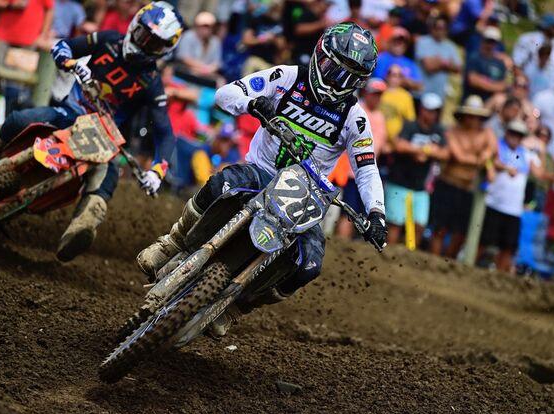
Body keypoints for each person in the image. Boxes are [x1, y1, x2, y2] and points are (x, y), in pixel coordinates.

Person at [138, 23, 388, 336]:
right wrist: (252, 103)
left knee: (309, 266)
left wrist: (376, 213)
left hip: (305, 195)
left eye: (348, 77)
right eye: (333, 69)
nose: (337, 81)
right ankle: (171, 243)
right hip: (261, 171)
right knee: (220, 183)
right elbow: (225, 94)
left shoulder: (355, 118)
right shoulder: (287, 77)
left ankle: (237, 308)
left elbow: (366, 169)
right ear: (319, 55)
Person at [0, 1, 184, 262]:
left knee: (107, 174)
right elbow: (62, 46)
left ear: (164, 51)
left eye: (154, 44)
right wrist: (72, 62)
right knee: (22, 119)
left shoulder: (152, 83)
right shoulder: (108, 40)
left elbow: (165, 132)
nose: (144, 44)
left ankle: (83, 226)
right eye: (144, 35)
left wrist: (157, 172)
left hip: (104, 138)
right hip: (69, 114)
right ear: (135, 25)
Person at [430, 95, 496, 258]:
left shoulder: (486, 133)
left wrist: (486, 158)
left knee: (460, 232)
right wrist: (480, 159)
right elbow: (459, 156)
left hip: (467, 188)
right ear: (464, 115)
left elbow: (493, 150)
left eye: (476, 116)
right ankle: (434, 260)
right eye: (470, 115)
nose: (473, 120)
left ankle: (448, 262)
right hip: (448, 184)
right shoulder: (453, 132)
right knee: (440, 228)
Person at [480, 120, 545, 272]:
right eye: (512, 133)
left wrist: (541, 150)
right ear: (507, 132)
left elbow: (539, 173)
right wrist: (505, 167)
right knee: (483, 242)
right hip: (493, 203)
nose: (515, 137)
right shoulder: (497, 146)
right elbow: (489, 159)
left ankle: (498, 278)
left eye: (519, 135)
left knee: (509, 247)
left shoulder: (526, 154)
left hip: (514, 210)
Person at [386, 92, 448, 245]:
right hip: (399, 182)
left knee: (419, 225)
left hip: (420, 187)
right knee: (395, 223)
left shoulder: (438, 130)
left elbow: (446, 153)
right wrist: (420, 150)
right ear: (421, 109)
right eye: (429, 110)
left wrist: (429, 152)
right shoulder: (410, 125)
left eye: (435, 111)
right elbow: (399, 145)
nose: (432, 114)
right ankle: (387, 252)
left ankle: (408, 254)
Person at [336, 78, 388, 239]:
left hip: (369, 170)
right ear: (366, 93)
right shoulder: (356, 111)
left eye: (379, 95)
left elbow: (381, 143)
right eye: (374, 94)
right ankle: (341, 242)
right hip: (351, 172)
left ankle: (351, 243)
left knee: (363, 213)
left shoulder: (380, 117)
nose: (377, 98)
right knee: (348, 211)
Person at [415, 14, 461, 101]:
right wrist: (446, 63)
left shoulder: (450, 46)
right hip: (421, 93)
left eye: (444, 28)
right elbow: (429, 67)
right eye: (438, 28)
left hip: (440, 94)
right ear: (432, 28)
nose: (441, 31)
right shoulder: (422, 41)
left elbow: (458, 68)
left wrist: (438, 62)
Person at [513, 12, 554, 77]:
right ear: (546, 26)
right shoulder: (528, 39)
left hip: (552, 81)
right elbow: (517, 63)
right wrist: (520, 79)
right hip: (529, 79)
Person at [241, 0, 285, 75]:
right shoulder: (256, 20)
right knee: (251, 63)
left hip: (271, 63)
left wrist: (273, 39)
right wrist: (263, 39)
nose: (275, 11)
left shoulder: (279, 23)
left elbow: (282, 45)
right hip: (256, 59)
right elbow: (246, 40)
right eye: (273, 8)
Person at [372, 27, 423, 92]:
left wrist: (401, 80)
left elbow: (419, 86)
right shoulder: (380, 59)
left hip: (403, 96)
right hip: (381, 94)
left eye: (403, 42)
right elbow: (378, 79)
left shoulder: (409, 63)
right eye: (396, 41)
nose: (399, 44)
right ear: (389, 42)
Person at [463, 26, 507, 101]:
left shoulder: (499, 63)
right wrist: (493, 85)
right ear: (482, 40)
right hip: (472, 99)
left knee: (500, 99)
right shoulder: (474, 58)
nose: (490, 45)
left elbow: (503, 85)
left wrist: (483, 82)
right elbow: (473, 80)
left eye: (493, 42)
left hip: (491, 101)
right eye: (488, 41)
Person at [175, 11, 222, 79]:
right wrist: (202, 67)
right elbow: (184, 58)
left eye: (209, 27)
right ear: (197, 25)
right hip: (186, 71)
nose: (206, 29)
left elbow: (217, 63)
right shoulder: (188, 36)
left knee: (220, 80)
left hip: (206, 74)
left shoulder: (215, 41)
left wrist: (208, 69)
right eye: (204, 26)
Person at [380, 64, 415, 145]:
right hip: (377, 137)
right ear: (387, 76)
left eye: (399, 76)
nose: (396, 79)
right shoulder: (379, 92)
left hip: (396, 141)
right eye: (394, 75)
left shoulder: (406, 96)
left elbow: (410, 120)